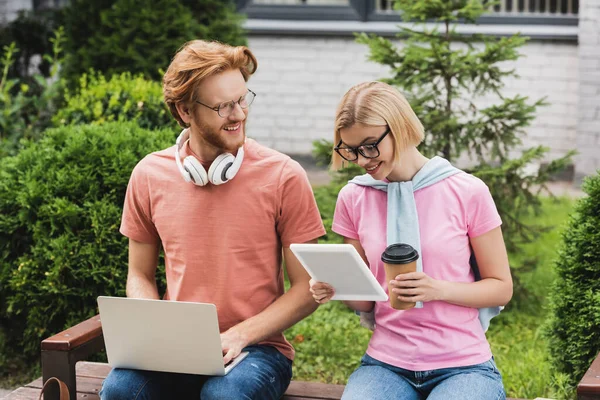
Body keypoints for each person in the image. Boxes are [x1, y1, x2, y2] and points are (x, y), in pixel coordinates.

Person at [100, 40, 326, 400]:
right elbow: (139, 275)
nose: (238, 114)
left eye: (242, 99)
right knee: (120, 392)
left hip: (258, 349)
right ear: (184, 110)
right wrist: (155, 328)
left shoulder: (284, 176)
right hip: (177, 349)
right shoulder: (148, 174)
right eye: (222, 106)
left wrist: (239, 335)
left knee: (224, 396)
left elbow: (307, 290)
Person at [310, 81, 513, 400]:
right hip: (386, 364)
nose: (363, 160)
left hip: (463, 365)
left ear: (400, 128)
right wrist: (336, 287)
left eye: (369, 146)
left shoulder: (467, 191)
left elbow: (501, 287)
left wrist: (439, 289)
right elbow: (366, 302)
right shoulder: (354, 197)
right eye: (350, 150)